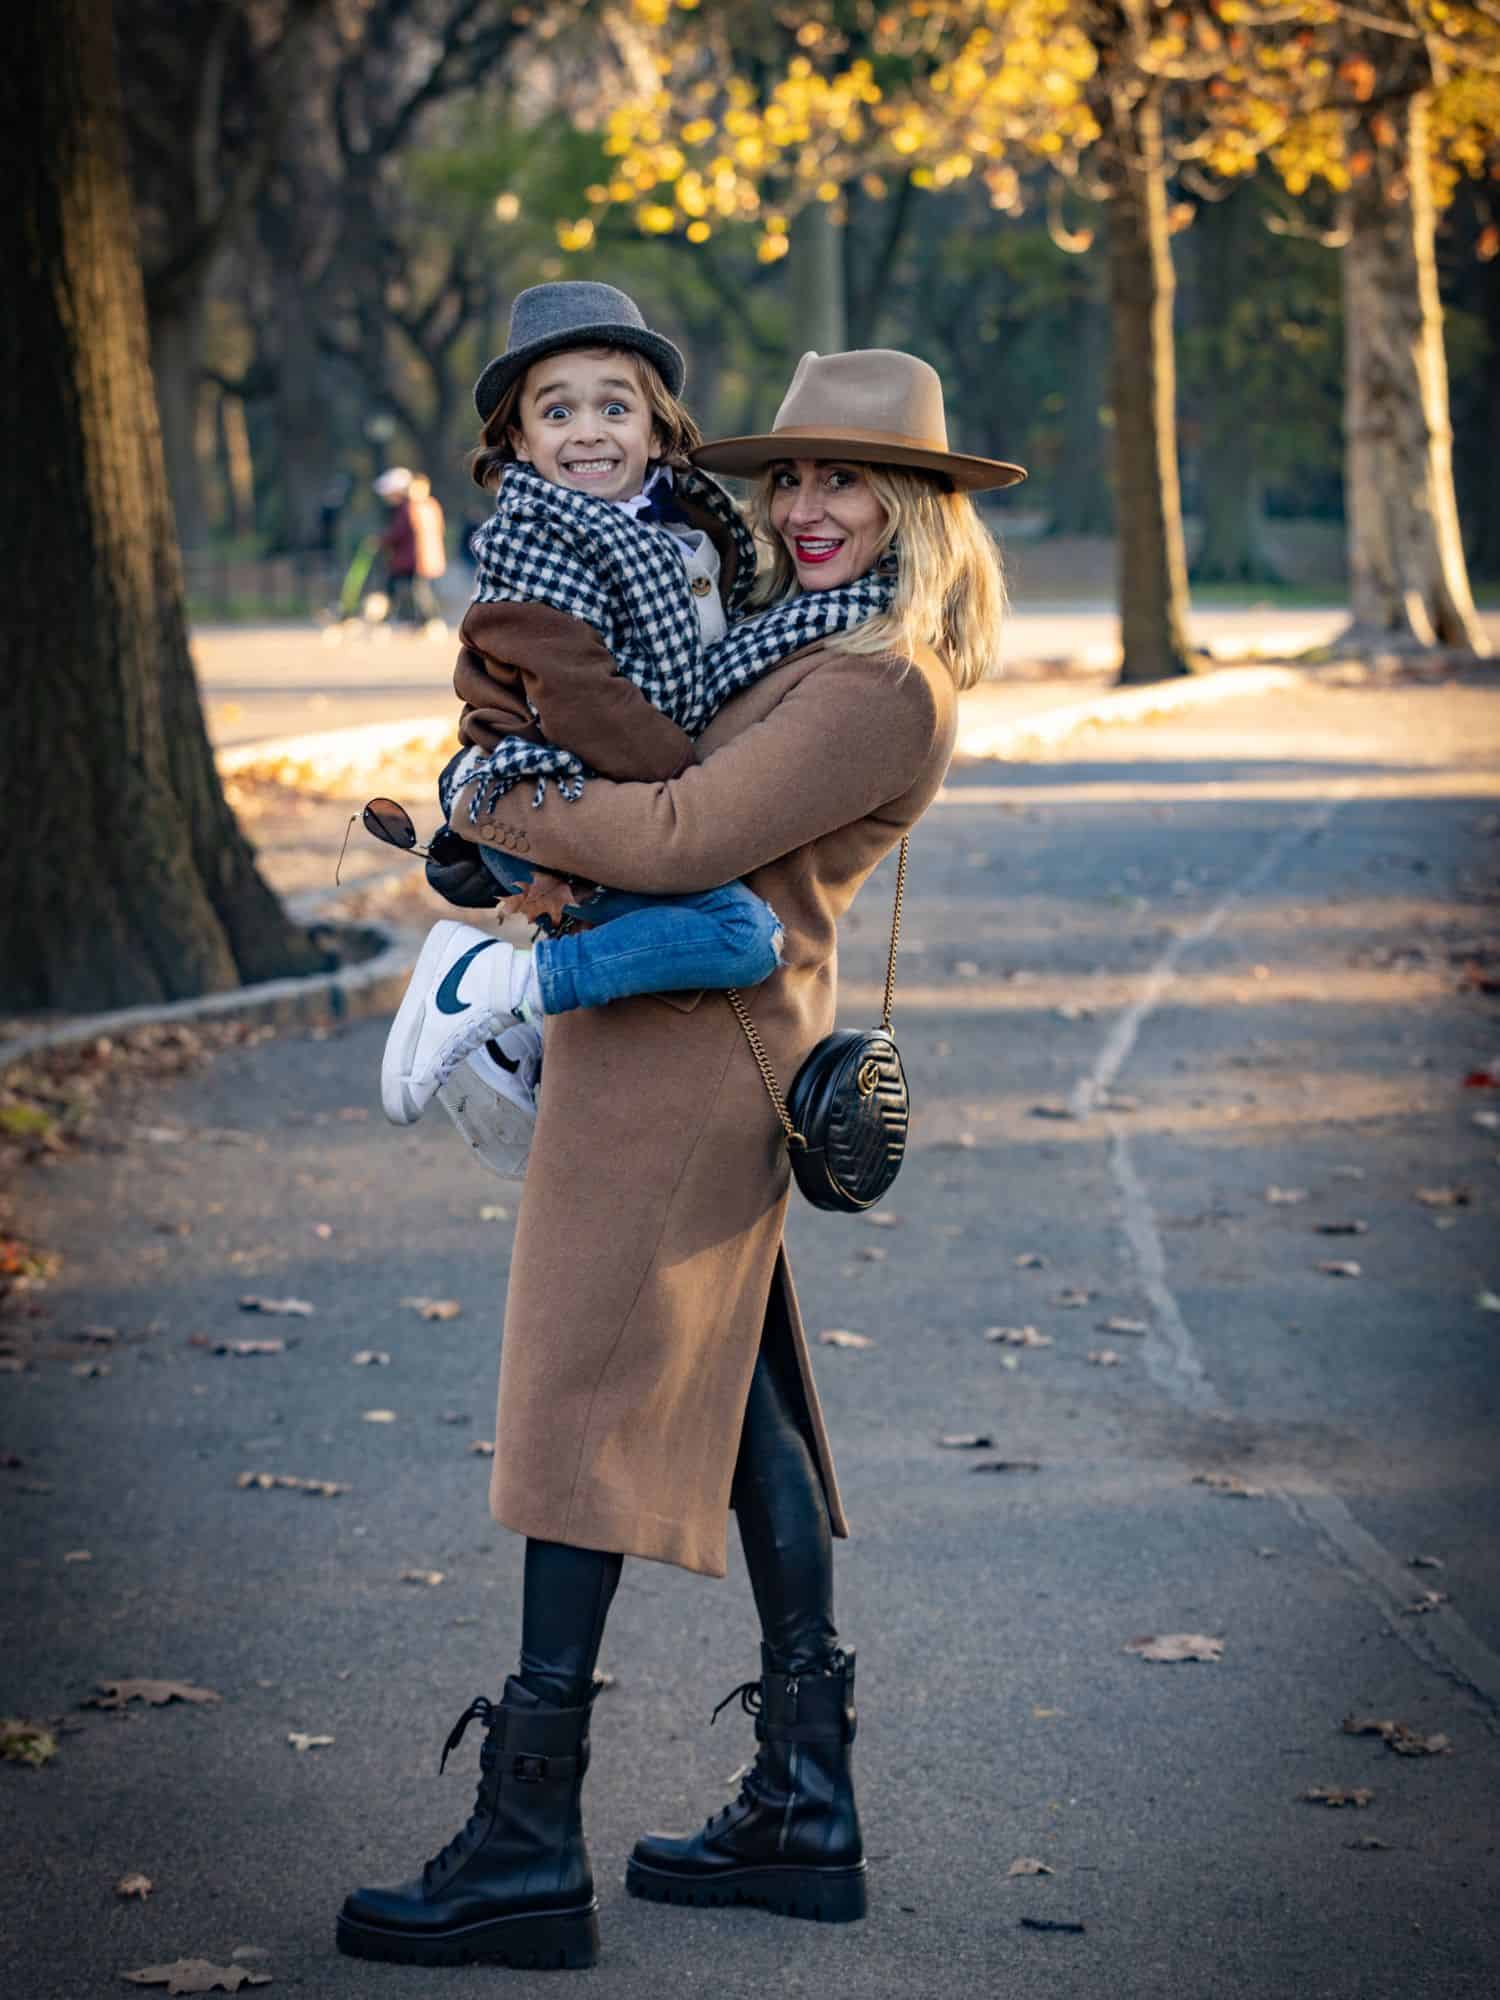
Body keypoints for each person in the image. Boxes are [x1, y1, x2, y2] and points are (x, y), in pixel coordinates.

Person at [336, 348, 1025, 1970]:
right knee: (741, 1410)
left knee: (582, 1402)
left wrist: (500, 787)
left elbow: (679, 836)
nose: (809, 506)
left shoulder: (882, 683)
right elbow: (629, 777)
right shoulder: (788, 643)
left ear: (920, 508)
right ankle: (804, 1802)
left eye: (851, 480)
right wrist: (480, 811)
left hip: (699, 1055)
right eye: (790, 476)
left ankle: (524, 1843)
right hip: (688, 1038)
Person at [381, 282, 806, 1144]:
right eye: (557, 412)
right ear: (517, 438)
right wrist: (701, 783)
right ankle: (497, 987)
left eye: (614, 407)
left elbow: (717, 640)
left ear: (656, 429)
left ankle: (513, 1047)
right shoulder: (538, 544)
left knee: (687, 945)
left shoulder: (679, 531)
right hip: (553, 794)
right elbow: (585, 703)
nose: (587, 432)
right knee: (741, 935)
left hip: (592, 796)